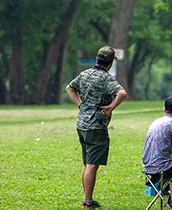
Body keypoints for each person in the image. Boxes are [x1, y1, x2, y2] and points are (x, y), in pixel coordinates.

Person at [65, 46, 128, 209]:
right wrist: (111, 107)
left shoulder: (85, 74)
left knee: (87, 163)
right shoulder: (105, 78)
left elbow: (70, 88)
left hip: (82, 125)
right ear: (110, 61)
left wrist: (80, 104)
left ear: (97, 59)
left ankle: (88, 199)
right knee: (92, 165)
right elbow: (122, 93)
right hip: (96, 127)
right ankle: (87, 203)